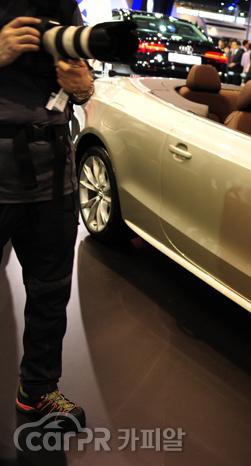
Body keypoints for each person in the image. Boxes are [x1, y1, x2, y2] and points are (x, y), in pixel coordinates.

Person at [1, 1, 94, 428]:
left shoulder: (61, 5)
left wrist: (82, 86)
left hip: (53, 175)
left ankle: (37, 391)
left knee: (51, 292)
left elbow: (83, 82)